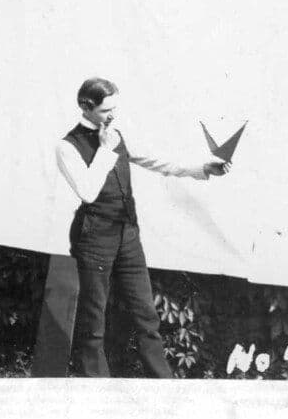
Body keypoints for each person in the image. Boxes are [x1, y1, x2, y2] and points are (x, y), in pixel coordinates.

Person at [55, 77, 230, 378]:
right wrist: (105, 151)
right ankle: (96, 390)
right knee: (94, 317)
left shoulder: (116, 136)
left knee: (146, 313)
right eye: (105, 111)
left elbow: (159, 161)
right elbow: (88, 192)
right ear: (86, 107)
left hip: (127, 233)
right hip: (94, 237)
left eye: (114, 109)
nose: (112, 116)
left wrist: (202, 168)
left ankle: (163, 385)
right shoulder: (66, 147)